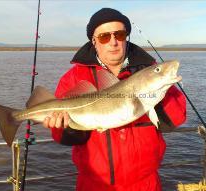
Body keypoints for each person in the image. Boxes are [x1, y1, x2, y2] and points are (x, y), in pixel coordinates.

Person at [43, 8, 186, 191]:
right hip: (94, 184)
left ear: (126, 37)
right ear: (94, 41)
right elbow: (63, 137)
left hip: (145, 184)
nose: (113, 42)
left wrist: (160, 90)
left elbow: (175, 120)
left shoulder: (147, 72)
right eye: (104, 36)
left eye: (119, 34)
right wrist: (66, 127)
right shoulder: (74, 78)